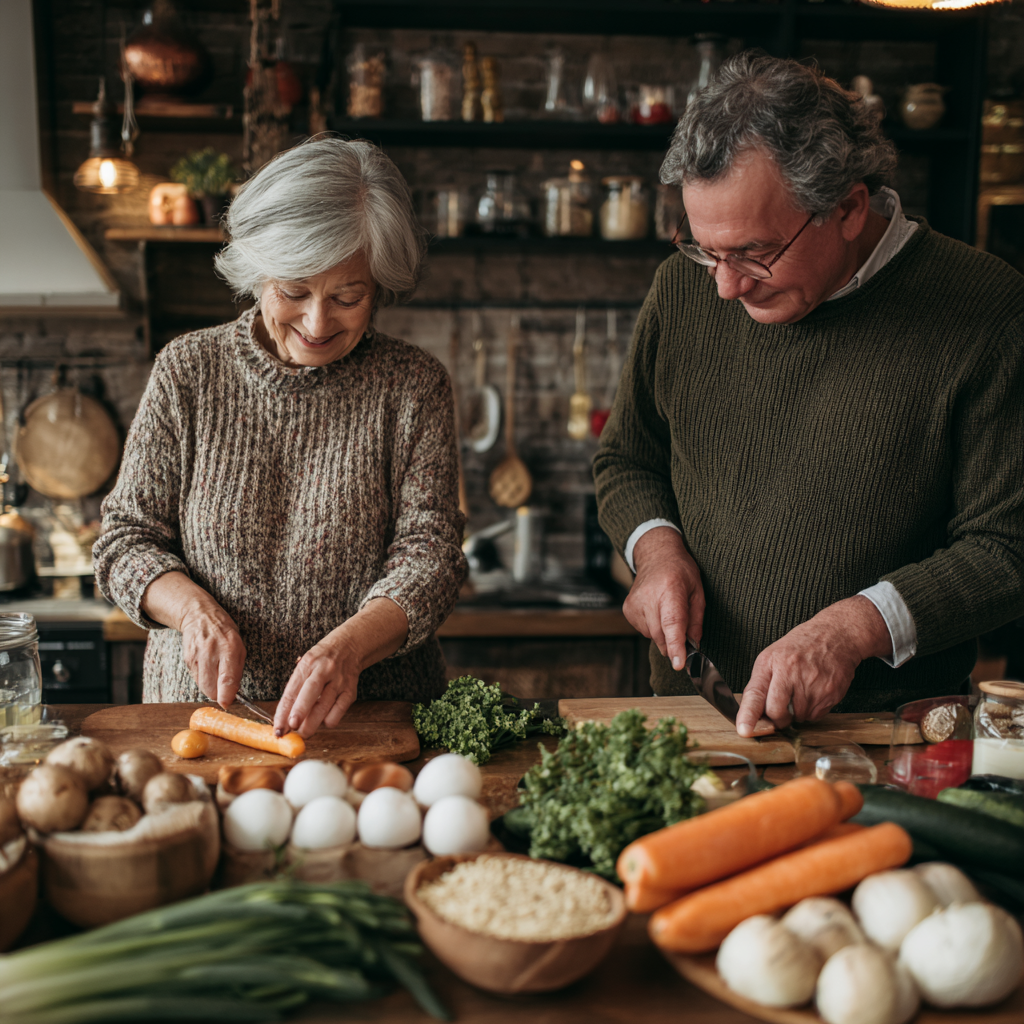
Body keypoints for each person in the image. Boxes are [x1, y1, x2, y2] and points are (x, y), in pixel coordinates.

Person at [594, 54, 1024, 736]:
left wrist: (855, 629)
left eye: (755, 253)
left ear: (849, 208)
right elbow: (627, 459)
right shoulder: (684, 289)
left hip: (886, 738)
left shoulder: (988, 309)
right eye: (705, 250)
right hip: (687, 720)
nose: (725, 288)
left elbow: (1006, 547)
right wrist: (655, 551)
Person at [94, 138, 467, 738]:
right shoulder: (188, 371)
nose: (317, 324)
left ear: (380, 286)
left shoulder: (412, 385)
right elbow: (124, 541)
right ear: (257, 270)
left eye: (349, 297)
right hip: (205, 720)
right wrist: (193, 612)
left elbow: (433, 557)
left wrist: (347, 650)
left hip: (370, 721)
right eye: (294, 292)